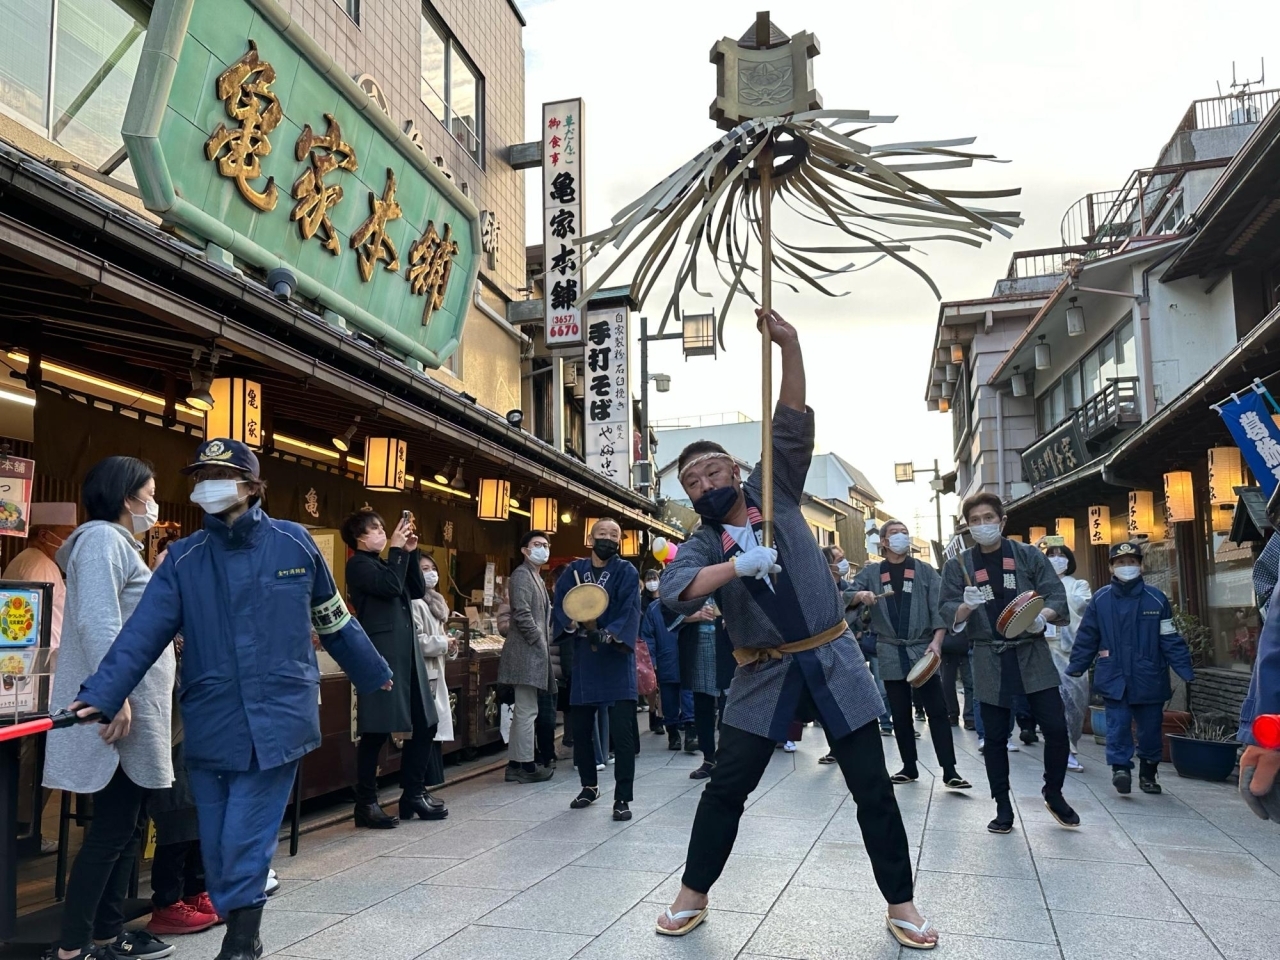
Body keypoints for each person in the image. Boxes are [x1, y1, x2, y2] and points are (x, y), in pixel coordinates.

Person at [656, 309, 935, 949]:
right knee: (727, 786)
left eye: (711, 473)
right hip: (764, 669)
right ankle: (691, 895)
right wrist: (736, 564)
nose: (704, 486)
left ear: (733, 469)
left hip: (834, 657)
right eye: (691, 482)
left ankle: (903, 905)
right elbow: (675, 592)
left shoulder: (774, 488)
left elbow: (790, 421)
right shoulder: (699, 543)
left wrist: (790, 346)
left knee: (871, 786)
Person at [71, 438, 392, 960]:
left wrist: (372, 670)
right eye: (201, 475)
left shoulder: (295, 545)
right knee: (217, 843)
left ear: (250, 484)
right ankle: (248, 930)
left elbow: (333, 618)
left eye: (220, 474)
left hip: (281, 714)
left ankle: (239, 945)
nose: (208, 485)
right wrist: (103, 693)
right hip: (213, 715)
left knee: (244, 834)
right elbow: (143, 633)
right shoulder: (184, 559)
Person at [44, 459, 176, 960]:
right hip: (119, 709)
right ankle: (75, 946)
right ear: (128, 497)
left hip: (130, 706)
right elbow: (99, 622)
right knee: (112, 832)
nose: (154, 503)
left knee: (122, 829)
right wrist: (113, 694)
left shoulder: (118, 545)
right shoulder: (101, 540)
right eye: (151, 492)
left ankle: (104, 933)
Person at [940, 493, 1076, 834]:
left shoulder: (1028, 556)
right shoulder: (959, 565)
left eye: (989, 518)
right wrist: (965, 607)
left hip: (1031, 651)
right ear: (968, 526)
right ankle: (1002, 805)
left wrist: (1040, 619)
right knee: (996, 737)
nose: (983, 525)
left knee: (1056, 728)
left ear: (1002, 522)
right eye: (975, 520)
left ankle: (1053, 791)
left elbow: (1055, 596)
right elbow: (945, 609)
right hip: (988, 655)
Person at [344, 508, 446, 827]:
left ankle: (413, 792)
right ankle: (366, 803)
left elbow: (414, 590)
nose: (382, 533)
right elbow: (389, 587)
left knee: (426, 720)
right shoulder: (358, 565)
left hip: (407, 651)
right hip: (381, 652)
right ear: (359, 537)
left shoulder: (387, 562)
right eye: (374, 529)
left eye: (383, 527)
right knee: (376, 729)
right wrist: (398, 551)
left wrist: (410, 553)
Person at [851, 521, 970, 789]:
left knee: (937, 710)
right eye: (894, 533)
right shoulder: (872, 572)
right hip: (890, 649)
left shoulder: (924, 571)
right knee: (900, 711)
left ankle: (950, 770)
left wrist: (937, 643)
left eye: (904, 532)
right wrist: (860, 594)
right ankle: (909, 766)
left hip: (922, 648)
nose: (901, 537)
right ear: (883, 541)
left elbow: (940, 608)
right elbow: (846, 596)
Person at [1067, 542, 1193, 795]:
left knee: (1149, 730)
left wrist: (1185, 669)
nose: (1127, 567)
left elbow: (1169, 637)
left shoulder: (1156, 599)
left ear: (1141, 565)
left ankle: (1148, 773)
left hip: (1150, 676)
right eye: (1121, 562)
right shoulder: (1100, 600)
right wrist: (1076, 666)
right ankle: (1120, 769)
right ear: (1111, 566)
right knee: (1118, 725)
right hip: (1114, 675)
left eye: (1132, 562)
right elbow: (1087, 636)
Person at [551, 518, 641, 821]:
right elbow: (560, 604)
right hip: (585, 658)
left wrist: (609, 633)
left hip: (615, 658)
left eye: (614, 535)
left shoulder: (626, 571)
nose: (608, 539)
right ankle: (589, 785)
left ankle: (622, 798)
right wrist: (573, 623)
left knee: (622, 733)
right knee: (582, 729)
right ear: (591, 538)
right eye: (602, 534)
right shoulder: (575, 571)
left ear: (620, 541)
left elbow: (630, 608)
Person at [5, 501, 77, 852]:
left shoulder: (27, 561)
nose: (68, 542)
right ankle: (24, 827)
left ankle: (22, 824)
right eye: (65, 535)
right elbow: (45, 626)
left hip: (28, 671)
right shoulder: (41, 566)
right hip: (40, 673)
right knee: (38, 752)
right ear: (44, 534)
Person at [147, 629, 220, 937]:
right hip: (172, 720)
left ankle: (195, 891)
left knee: (199, 810)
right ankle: (167, 902)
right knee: (178, 810)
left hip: (196, 719)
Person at [499, 530, 555, 783]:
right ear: (524, 550)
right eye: (536, 544)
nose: (542, 549)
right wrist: (538, 640)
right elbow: (520, 613)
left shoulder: (536, 577)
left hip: (531, 652)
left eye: (545, 545)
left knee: (524, 710)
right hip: (525, 653)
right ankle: (525, 765)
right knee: (526, 711)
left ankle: (515, 764)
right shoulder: (522, 575)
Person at [824, 544, 894, 749]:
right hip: (824, 650)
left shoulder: (848, 587)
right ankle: (835, 747)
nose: (844, 563)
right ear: (827, 565)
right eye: (839, 560)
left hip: (853, 647)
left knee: (871, 690)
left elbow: (861, 613)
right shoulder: (818, 587)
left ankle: (882, 724)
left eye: (843, 557)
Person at [1042, 542, 1092, 772]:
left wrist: (1055, 597)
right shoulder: (1038, 585)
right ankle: (1061, 748)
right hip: (1045, 650)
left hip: (1072, 652)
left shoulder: (1079, 585)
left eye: (1061, 556)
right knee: (1053, 703)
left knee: (1075, 701)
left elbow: (1083, 608)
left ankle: (1071, 746)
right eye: (1051, 555)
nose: (1056, 559)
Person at [411, 554, 455, 798]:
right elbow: (416, 641)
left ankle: (428, 785)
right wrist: (443, 642)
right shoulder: (416, 603)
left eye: (432, 568)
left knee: (432, 730)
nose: (430, 573)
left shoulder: (437, 603)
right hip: (424, 674)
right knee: (426, 730)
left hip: (435, 672)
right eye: (424, 569)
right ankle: (422, 786)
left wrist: (449, 645)